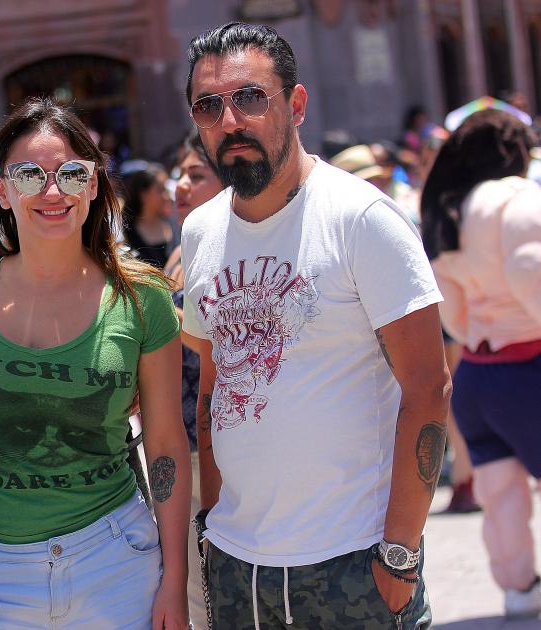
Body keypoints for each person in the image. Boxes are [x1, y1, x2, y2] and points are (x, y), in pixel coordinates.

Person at [180, 23, 450, 629]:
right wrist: (214, 522)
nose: (230, 120)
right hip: (236, 565)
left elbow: (428, 390)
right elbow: (211, 389)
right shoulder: (199, 232)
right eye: (209, 105)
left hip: (353, 561)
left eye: (250, 97)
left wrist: (400, 554)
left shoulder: (362, 219)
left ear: (296, 105)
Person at [0, 97, 190, 629]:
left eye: (72, 173)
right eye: (29, 175)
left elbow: (166, 443)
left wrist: (174, 580)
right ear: (1, 188)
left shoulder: (143, 299)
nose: (53, 191)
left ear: (95, 185)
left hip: (115, 560)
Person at [421, 109, 541, 618]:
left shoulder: (452, 211)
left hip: (477, 372)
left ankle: (519, 587)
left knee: (499, 492)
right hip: (527, 364)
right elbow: (530, 269)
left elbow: (451, 309)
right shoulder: (517, 198)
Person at [163, 131, 224, 627]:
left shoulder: (226, 249)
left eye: (195, 175)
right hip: (184, 445)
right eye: (179, 174)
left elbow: (207, 341)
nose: (179, 186)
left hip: (218, 451)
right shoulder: (183, 246)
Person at [121, 162, 173, 269]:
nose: (166, 196)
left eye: (166, 189)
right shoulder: (125, 234)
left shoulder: (175, 224)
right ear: (143, 194)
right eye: (160, 190)